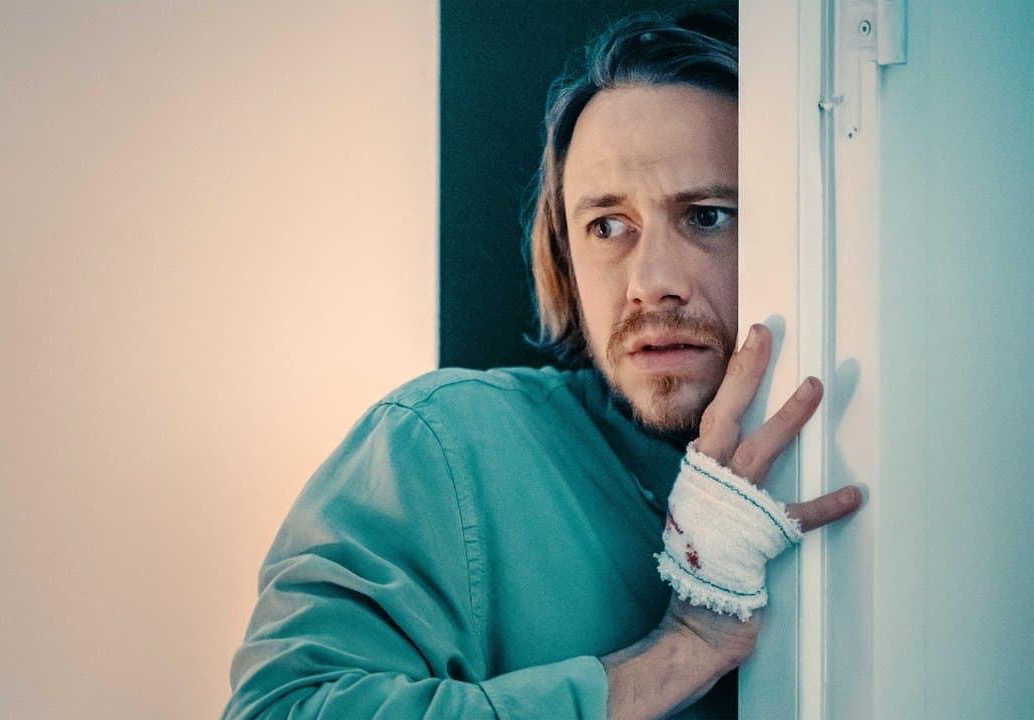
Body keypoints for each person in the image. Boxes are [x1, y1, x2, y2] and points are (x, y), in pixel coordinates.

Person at [222, 9, 862, 719]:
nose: (651, 282)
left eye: (708, 215)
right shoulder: (444, 444)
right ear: (564, 251)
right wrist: (686, 645)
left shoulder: (864, 455)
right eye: (607, 226)